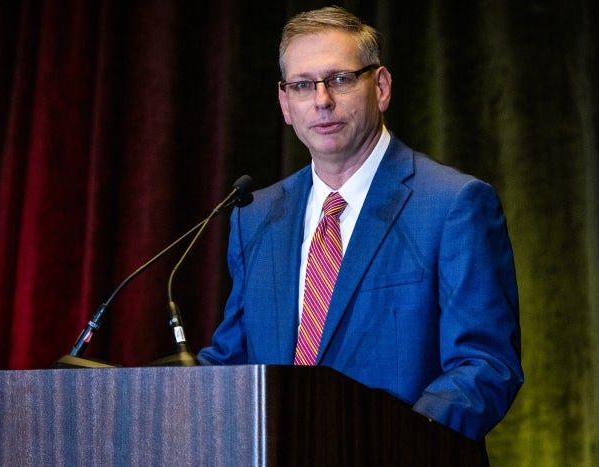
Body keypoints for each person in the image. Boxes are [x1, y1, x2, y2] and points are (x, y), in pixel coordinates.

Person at [197, 5, 523, 442]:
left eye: (340, 79)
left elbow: (486, 365)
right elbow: (234, 361)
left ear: (382, 87)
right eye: (302, 85)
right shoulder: (255, 216)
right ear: (284, 103)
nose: (321, 100)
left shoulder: (453, 205)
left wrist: (392, 442)